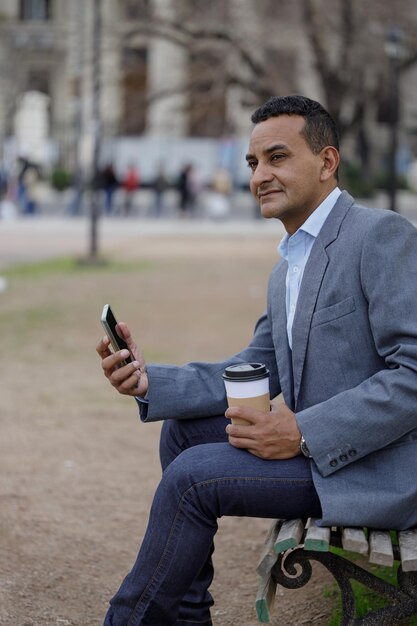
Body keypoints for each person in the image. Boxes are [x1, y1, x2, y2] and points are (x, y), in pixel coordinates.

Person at [96, 94, 417, 626]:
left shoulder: (379, 236)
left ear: (327, 161)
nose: (260, 175)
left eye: (277, 157)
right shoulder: (287, 264)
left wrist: (304, 432)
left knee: (194, 478)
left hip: (380, 468)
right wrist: (150, 380)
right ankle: (188, 614)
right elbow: (255, 367)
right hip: (323, 456)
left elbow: (413, 373)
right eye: (253, 163)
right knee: (182, 436)